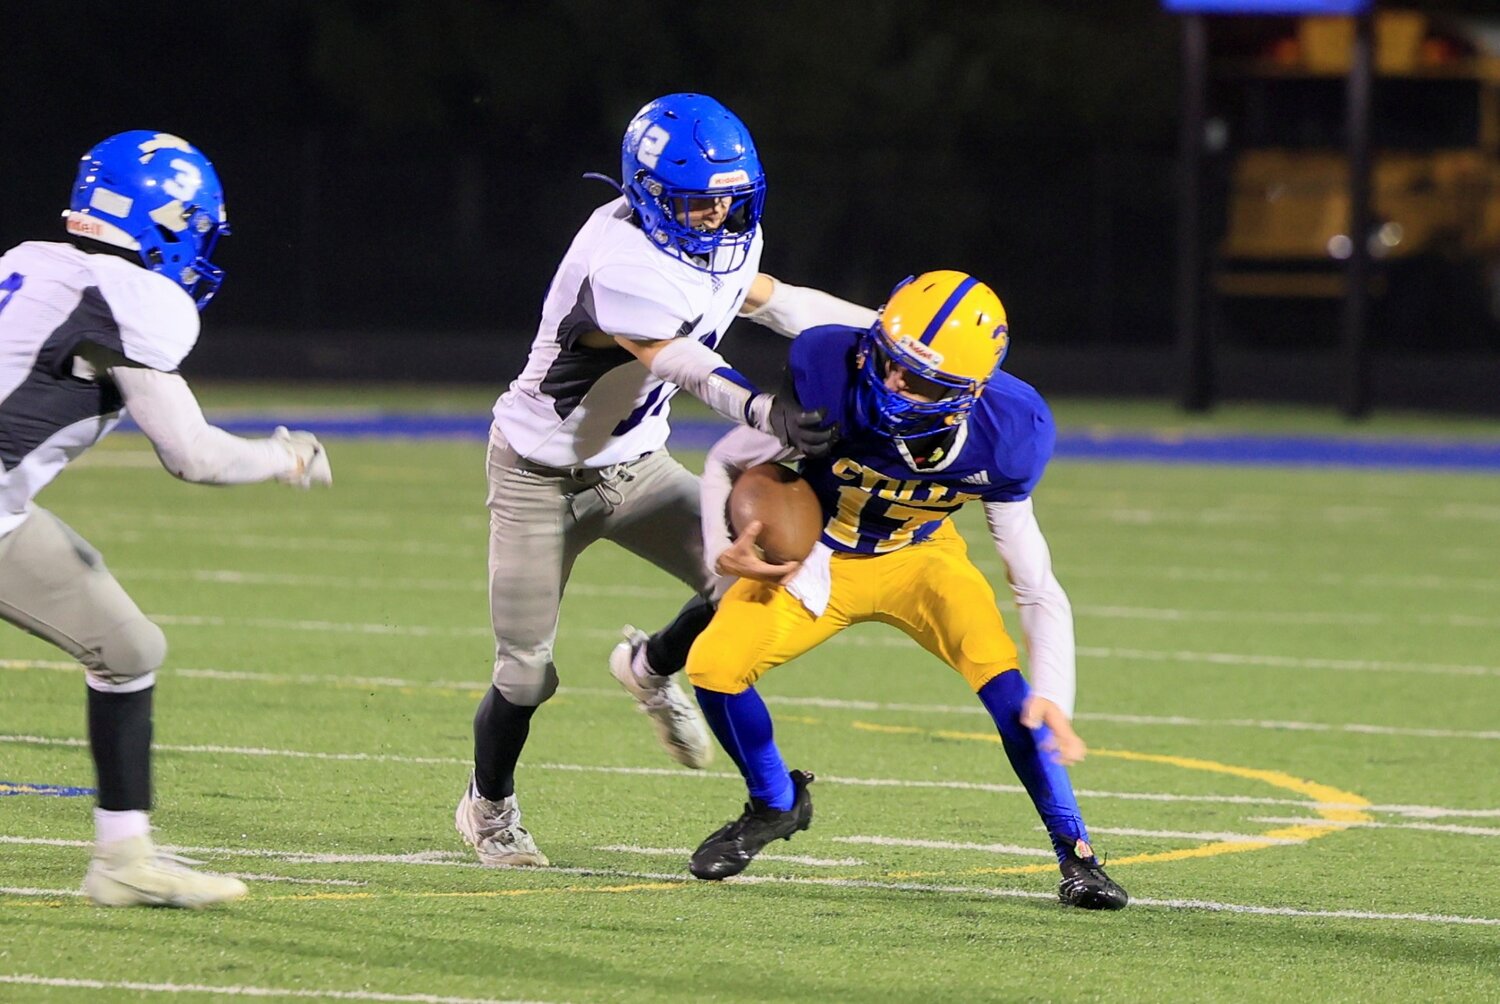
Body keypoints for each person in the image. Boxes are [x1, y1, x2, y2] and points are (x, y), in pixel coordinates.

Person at [454, 93, 876, 868]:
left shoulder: (715, 240)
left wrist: (887, 332)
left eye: (727, 200)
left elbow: (778, 302)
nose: (715, 217)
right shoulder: (620, 259)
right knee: (524, 674)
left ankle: (650, 667)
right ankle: (487, 807)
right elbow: (681, 360)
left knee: (759, 578)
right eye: (695, 202)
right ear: (647, 196)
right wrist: (759, 406)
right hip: (537, 477)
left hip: (636, 466)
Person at [683, 270, 1129, 910]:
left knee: (1016, 699)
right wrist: (720, 556)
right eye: (889, 361)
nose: (892, 383)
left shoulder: (1008, 435)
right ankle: (775, 802)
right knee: (714, 666)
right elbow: (727, 458)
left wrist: (1056, 694)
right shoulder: (831, 376)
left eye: (918, 379)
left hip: (920, 559)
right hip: (819, 558)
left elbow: (1034, 582)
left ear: (967, 393)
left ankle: (1077, 854)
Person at [0, 130, 333, 907]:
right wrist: (286, 458)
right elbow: (194, 456)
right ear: (168, 219)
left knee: (127, 646)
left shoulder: (29, 260)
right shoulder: (134, 297)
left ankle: (123, 860)